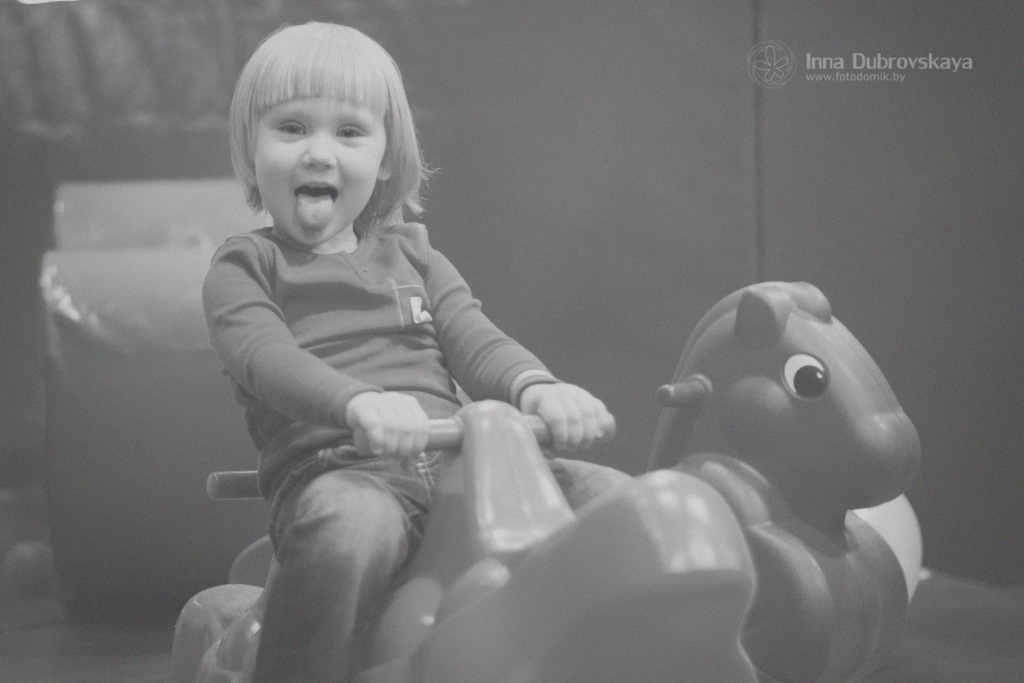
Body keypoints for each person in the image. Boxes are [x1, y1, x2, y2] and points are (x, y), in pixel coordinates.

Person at [203, 21, 631, 683]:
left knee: (613, 500)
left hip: (469, 460)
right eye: (291, 128)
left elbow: (475, 338)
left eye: (349, 131)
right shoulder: (246, 265)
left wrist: (538, 388)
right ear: (250, 147)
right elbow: (263, 357)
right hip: (343, 468)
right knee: (346, 530)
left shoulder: (414, 255)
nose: (318, 152)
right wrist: (356, 403)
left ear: (385, 158)